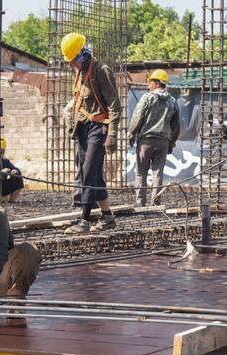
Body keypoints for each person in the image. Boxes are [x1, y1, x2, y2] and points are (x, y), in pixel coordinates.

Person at [61, 32, 122, 234]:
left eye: (73, 61)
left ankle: (84, 220)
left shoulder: (101, 70)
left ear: (83, 54)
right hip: (84, 129)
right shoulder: (80, 73)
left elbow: (114, 104)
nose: (71, 65)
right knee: (92, 172)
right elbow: (81, 98)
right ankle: (107, 216)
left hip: (98, 128)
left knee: (88, 172)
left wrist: (112, 133)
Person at [129, 69, 180, 206]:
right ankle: (156, 202)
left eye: (150, 82)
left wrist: (131, 133)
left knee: (141, 172)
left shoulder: (147, 97)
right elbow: (176, 126)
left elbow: (137, 116)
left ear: (157, 83)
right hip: (163, 142)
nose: (148, 85)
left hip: (146, 140)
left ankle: (140, 202)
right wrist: (171, 143)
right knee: (158, 173)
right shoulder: (173, 101)